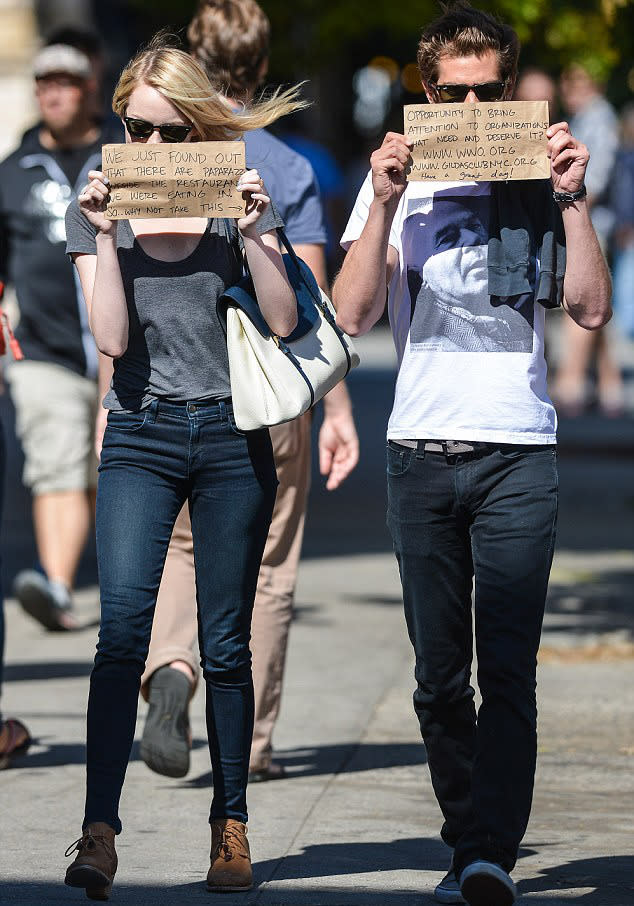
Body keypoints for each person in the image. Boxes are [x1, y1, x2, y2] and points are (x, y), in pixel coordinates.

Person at [332, 4, 611, 906]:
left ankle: (490, 850)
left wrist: (571, 195)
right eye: (456, 92)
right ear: (427, 93)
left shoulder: (540, 177)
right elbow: (353, 312)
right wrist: (379, 200)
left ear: (512, 87)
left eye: (493, 90)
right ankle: (469, 837)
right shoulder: (399, 182)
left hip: (517, 450)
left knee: (510, 670)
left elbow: (594, 309)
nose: (477, 104)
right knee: (437, 678)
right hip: (419, 448)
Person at [62, 37, 304, 898]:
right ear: (121, 126)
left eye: (172, 133)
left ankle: (229, 827)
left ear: (200, 128)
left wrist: (260, 230)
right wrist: (98, 236)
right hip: (141, 432)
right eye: (137, 130)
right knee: (121, 632)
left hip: (232, 435)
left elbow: (282, 324)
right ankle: (98, 833)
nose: (154, 151)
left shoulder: (230, 195)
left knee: (225, 645)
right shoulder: (97, 204)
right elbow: (115, 340)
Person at [136, 0, 359, 784]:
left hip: (172, 383)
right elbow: (303, 302)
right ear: (263, 68)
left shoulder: (157, 149)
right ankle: (250, 746)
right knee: (268, 565)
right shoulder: (285, 166)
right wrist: (336, 407)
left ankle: (171, 665)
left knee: (180, 545)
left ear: (191, 64)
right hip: (263, 394)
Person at [0, 40, 121, 631]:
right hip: (42, 351)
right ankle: (57, 586)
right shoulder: (13, 169)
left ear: (89, 88)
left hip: (124, 349)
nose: (53, 92)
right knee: (57, 463)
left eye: (65, 82)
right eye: (43, 82)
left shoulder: (124, 153)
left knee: (110, 468)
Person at [552, 63, 622, 415]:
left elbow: (599, 177)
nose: (566, 88)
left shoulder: (599, 118)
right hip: (589, 220)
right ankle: (611, 388)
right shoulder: (589, 117)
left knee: (577, 302)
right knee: (598, 308)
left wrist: (567, 205)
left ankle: (571, 382)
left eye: (573, 81)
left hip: (591, 224)